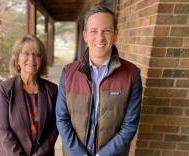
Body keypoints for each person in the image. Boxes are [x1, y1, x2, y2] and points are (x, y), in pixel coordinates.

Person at [56, 3, 142, 156]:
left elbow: (129, 126)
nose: (100, 37)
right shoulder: (68, 72)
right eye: (94, 31)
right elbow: (62, 119)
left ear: (115, 34)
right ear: (85, 36)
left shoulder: (132, 74)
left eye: (106, 30)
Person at [0, 35, 58, 156]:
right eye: (26, 53)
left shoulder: (52, 89)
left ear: (42, 60)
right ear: (17, 59)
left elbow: (55, 128)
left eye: (37, 54)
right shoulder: (5, 89)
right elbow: (4, 131)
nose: (32, 59)